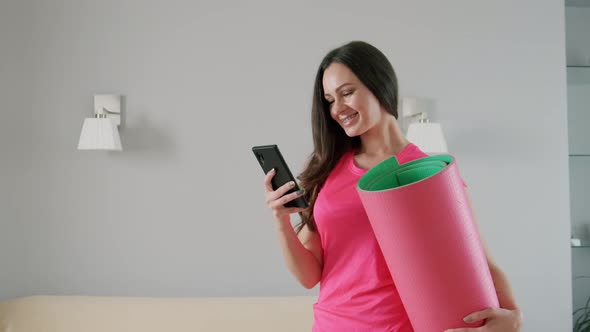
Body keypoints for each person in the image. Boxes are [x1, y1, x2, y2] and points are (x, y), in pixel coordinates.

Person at [262, 41, 523, 332]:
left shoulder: (428, 172)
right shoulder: (327, 172)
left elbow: (479, 260)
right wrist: (281, 220)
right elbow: (309, 276)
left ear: (380, 86)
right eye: (330, 99)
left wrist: (513, 316)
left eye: (347, 92)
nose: (338, 108)